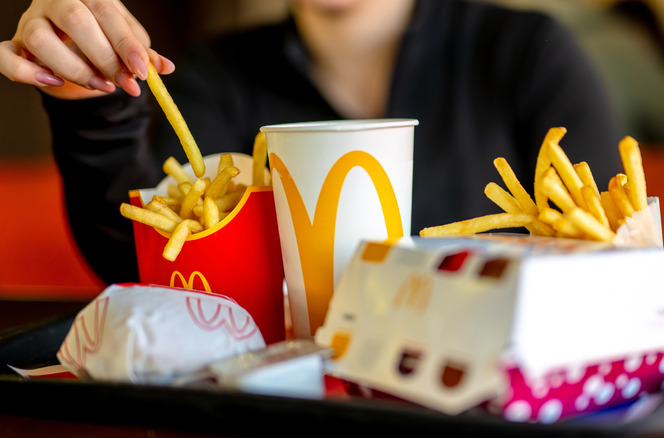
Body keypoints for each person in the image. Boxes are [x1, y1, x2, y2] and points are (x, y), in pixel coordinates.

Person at [0, 0, 621, 284]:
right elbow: (147, 266)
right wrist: (84, 101)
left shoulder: (529, 54)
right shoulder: (217, 76)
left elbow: (609, 258)